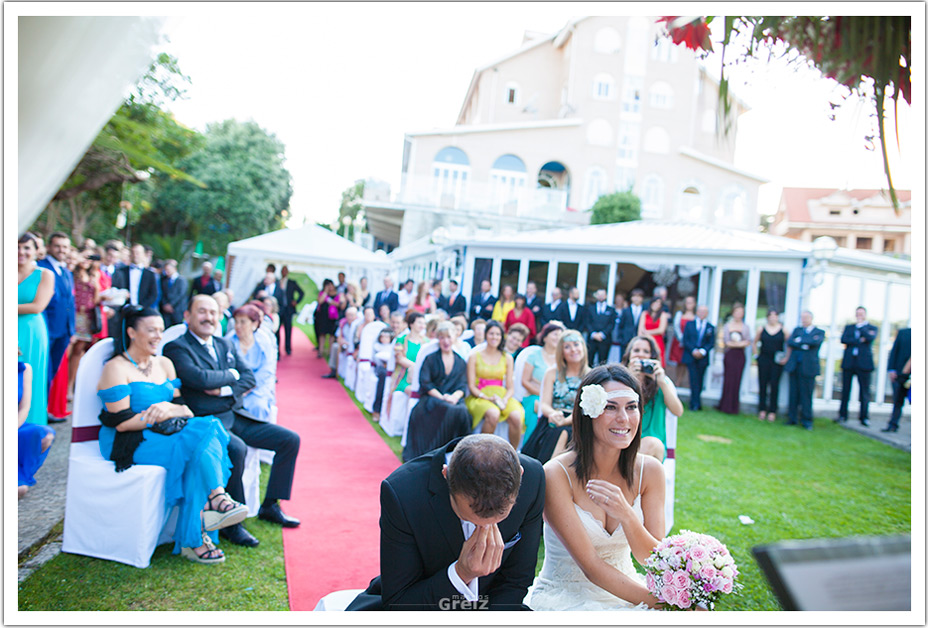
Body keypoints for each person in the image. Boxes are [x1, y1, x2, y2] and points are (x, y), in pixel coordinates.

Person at [98, 304, 248, 564]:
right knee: (206, 435)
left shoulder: (165, 364)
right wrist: (164, 414)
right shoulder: (116, 368)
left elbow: (184, 410)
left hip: (168, 433)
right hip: (132, 440)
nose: (158, 336)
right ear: (132, 333)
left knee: (204, 439)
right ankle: (210, 512)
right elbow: (121, 423)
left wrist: (168, 408)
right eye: (151, 330)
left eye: (161, 330)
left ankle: (206, 516)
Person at [163, 295, 302, 549]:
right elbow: (199, 379)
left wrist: (225, 388)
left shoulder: (223, 344)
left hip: (234, 414)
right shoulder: (177, 347)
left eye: (213, 313)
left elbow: (249, 377)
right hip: (207, 421)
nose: (208, 317)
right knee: (237, 449)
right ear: (187, 316)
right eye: (202, 312)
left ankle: (270, 505)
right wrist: (231, 375)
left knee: (289, 440)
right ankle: (231, 525)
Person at [347, 434, 544, 611]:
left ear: (520, 474)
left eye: (499, 519)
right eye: (468, 518)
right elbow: (400, 601)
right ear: (446, 475)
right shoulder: (403, 492)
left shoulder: (534, 479)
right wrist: (461, 574)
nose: (483, 530)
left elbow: (517, 580)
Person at [526, 364, 665, 611]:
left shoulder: (651, 471)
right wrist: (663, 603)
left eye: (631, 407)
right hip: (567, 597)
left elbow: (656, 561)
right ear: (587, 412)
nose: (624, 419)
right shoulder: (556, 474)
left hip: (629, 588)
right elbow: (591, 567)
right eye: (611, 407)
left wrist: (627, 515)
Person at [403, 322, 473, 462]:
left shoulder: (460, 361)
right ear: (437, 339)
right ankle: (433, 454)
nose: (445, 341)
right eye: (442, 337)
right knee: (446, 408)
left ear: (454, 338)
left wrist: (454, 396)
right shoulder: (431, 358)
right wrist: (442, 397)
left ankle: (459, 456)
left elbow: (462, 385)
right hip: (432, 398)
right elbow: (426, 383)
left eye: (448, 337)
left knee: (463, 412)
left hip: (453, 399)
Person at [521, 330, 591, 464]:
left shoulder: (591, 375)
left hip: (579, 421)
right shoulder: (552, 373)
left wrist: (566, 421)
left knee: (564, 433)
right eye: (567, 347)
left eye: (576, 345)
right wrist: (553, 414)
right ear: (561, 352)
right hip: (554, 418)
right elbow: (544, 404)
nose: (573, 350)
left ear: (583, 347)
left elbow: (586, 409)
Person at [622, 335, 684, 461]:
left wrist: (661, 382)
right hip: (623, 440)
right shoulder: (620, 380)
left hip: (653, 445)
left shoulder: (662, 382)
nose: (641, 355)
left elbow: (678, 411)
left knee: (650, 444)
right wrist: (630, 379)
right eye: (636, 350)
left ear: (652, 356)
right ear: (629, 355)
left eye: (646, 351)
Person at [465, 321, 525, 449]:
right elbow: (471, 386)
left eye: (498, 334)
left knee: (516, 416)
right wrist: (485, 397)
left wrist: (504, 399)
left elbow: (510, 387)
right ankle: (481, 450)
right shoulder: (474, 356)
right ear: (486, 335)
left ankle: (513, 452)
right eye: (491, 333)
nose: (494, 337)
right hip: (480, 395)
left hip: (501, 395)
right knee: (493, 413)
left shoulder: (507, 358)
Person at [18, 233, 54, 426]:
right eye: (17, 247)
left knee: (30, 379)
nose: (21, 252)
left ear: (35, 251)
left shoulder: (45, 274)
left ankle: (31, 427)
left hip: (30, 331)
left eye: (26, 248)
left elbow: (37, 306)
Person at [36, 232, 76, 399]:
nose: (61, 250)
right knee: (40, 371)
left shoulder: (66, 271)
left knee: (51, 372)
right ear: (49, 247)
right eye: (57, 246)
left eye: (65, 247)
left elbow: (70, 301)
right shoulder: (40, 267)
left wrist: (71, 330)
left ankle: (42, 410)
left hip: (64, 331)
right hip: (47, 327)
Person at [227, 304, 277, 422]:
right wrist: (239, 388)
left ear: (254, 324)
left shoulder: (264, 341)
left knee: (258, 405)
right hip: (235, 387)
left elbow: (267, 370)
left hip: (258, 388)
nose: (238, 326)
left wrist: (248, 387)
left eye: (243, 322)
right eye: (236, 322)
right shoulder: (229, 341)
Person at [521, 322, 564, 448]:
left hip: (555, 400)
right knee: (537, 407)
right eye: (555, 334)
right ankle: (528, 448)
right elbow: (525, 381)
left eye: (560, 335)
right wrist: (544, 395)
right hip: (534, 396)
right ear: (545, 337)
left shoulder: (562, 358)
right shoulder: (534, 355)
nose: (558, 337)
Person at [19, 357, 55, 498]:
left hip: (15, 425)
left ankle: (22, 473)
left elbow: (24, 408)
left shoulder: (24, 369)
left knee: (45, 435)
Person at [837, 306, 878, 427]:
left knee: (864, 392)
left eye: (861, 314)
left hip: (864, 364)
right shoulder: (849, 327)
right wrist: (859, 340)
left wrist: (861, 328)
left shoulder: (871, 328)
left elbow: (870, 338)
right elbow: (844, 339)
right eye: (857, 313)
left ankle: (864, 417)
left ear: (865, 315)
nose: (859, 316)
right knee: (845, 390)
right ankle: (842, 415)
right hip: (849, 363)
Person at [784, 310, 825, 431]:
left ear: (811, 318)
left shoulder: (819, 332)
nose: (804, 320)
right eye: (802, 317)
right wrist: (804, 343)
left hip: (808, 368)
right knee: (793, 394)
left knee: (806, 395)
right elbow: (790, 342)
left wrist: (800, 341)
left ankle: (807, 420)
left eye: (806, 317)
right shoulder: (797, 330)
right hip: (795, 366)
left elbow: (814, 342)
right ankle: (792, 418)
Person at [68, 253, 102, 399]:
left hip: (86, 318)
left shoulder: (94, 276)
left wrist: (96, 285)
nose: (86, 261)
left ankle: (70, 386)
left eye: (90, 259)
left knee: (79, 350)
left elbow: (96, 299)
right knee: (68, 350)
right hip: (72, 315)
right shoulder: (72, 274)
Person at [717, 304, 752, 415]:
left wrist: (736, 344)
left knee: (737, 379)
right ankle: (724, 405)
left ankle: (734, 407)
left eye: (741, 312)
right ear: (733, 313)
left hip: (740, 356)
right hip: (730, 355)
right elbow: (726, 342)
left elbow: (748, 341)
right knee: (728, 379)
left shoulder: (745, 327)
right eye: (737, 312)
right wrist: (739, 344)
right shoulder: (728, 326)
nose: (739, 314)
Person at [755, 309, 786, 422]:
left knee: (774, 385)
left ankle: (772, 411)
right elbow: (754, 342)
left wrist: (786, 357)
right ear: (767, 317)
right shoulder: (762, 329)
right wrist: (756, 355)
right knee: (762, 384)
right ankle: (762, 410)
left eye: (775, 316)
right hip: (764, 359)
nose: (773, 318)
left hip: (776, 361)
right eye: (771, 316)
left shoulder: (783, 329)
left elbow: (789, 344)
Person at [681, 305, 715, 411]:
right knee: (693, 379)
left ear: (707, 313)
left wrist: (702, 351)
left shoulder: (710, 327)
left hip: (703, 358)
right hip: (691, 356)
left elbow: (711, 343)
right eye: (700, 311)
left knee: (700, 380)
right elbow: (686, 340)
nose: (701, 313)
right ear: (697, 312)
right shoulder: (689, 325)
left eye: (704, 312)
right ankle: (693, 403)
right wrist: (693, 350)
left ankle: (697, 402)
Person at [112, 243, 159, 309]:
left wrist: (142, 306)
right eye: (133, 252)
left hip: (142, 309)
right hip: (124, 309)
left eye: (138, 253)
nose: (135, 255)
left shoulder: (150, 274)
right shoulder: (121, 271)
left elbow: (153, 294)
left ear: (143, 255)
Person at [391, 310, 427, 395]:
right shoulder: (401, 340)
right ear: (411, 324)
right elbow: (399, 358)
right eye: (419, 323)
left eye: (424, 323)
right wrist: (415, 366)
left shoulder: (426, 342)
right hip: (403, 377)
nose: (422, 326)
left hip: (420, 377)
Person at [884, 327, 911, 433]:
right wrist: (892, 369)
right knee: (897, 400)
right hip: (900, 373)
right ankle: (893, 424)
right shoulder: (903, 333)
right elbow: (895, 351)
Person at [669, 295, 697, 387]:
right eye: (687, 302)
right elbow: (676, 327)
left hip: (689, 343)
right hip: (679, 341)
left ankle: (681, 379)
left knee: (685, 362)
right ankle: (677, 379)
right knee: (678, 361)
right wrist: (682, 339)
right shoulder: (680, 314)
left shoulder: (695, 316)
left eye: (691, 302)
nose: (689, 304)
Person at [278, 265, 305, 356]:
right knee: (277, 329)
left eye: (285, 270)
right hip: (279, 308)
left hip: (288, 309)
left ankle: (288, 348)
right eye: (283, 270)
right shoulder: (277, 282)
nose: (284, 272)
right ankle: (277, 349)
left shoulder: (292, 282)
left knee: (288, 329)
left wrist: (296, 301)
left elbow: (301, 292)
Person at [586, 289, 616, 366]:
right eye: (599, 294)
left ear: (606, 296)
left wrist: (602, 334)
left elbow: (611, 324)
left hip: (604, 340)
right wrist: (593, 334)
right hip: (592, 339)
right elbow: (587, 322)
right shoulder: (590, 308)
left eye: (602, 294)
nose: (601, 296)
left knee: (602, 363)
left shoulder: (611, 310)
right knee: (589, 361)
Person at [638, 295, 669, 366]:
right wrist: (640, 339)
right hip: (645, 340)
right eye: (655, 303)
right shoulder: (645, 314)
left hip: (657, 341)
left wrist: (647, 332)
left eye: (659, 304)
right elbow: (640, 329)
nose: (657, 305)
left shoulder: (663, 315)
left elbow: (661, 330)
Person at [314, 279, 341, 360]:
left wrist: (330, 301)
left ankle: (330, 352)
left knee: (331, 335)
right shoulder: (323, 293)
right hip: (323, 316)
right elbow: (320, 301)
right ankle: (320, 351)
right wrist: (325, 292)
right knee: (322, 334)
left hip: (332, 317)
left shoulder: (337, 294)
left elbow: (338, 304)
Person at [159, 259, 188, 327]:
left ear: (174, 269)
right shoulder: (164, 280)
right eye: (165, 270)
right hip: (166, 311)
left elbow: (181, 294)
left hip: (177, 310)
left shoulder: (181, 280)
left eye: (168, 269)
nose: (167, 272)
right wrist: (165, 305)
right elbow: (162, 293)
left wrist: (171, 305)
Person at [617, 288, 645, 352]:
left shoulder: (645, 310)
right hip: (625, 341)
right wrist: (621, 339)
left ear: (642, 298)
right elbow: (621, 326)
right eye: (634, 296)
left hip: (640, 340)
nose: (636, 298)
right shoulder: (626, 310)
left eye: (639, 296)